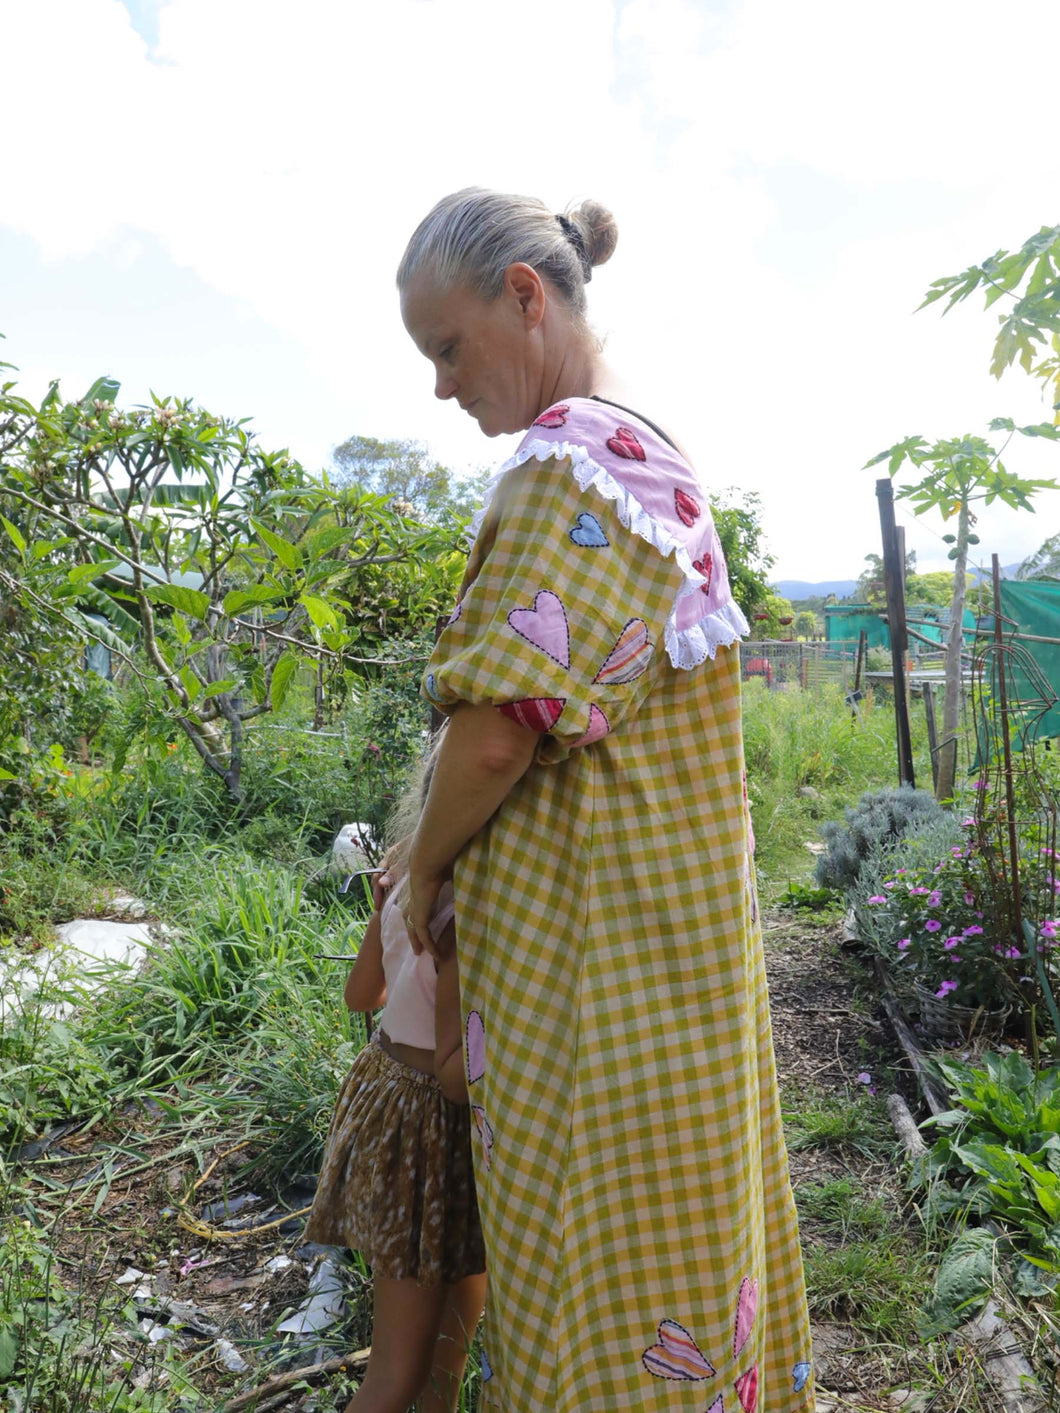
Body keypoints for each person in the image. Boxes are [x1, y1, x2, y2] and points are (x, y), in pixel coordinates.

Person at [394, 188, 814, 1411]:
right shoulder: (633, 460)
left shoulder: (571, 469)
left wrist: (421, 868)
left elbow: (495, 740)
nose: (441, 385)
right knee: (678, 1225)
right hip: (661, 952)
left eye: (448, 347)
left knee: (598, 1247)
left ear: (525, 296)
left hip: (604, 973)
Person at [304, 747, 486, 1413]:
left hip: (385, 1090)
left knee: (446, 1364)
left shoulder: (409, 873)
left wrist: (380, 917)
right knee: (400, 1376)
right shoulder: (471, 907)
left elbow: (362, 996)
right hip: (429, 1127)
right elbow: (458, 1077)